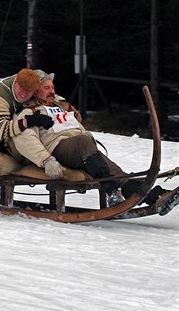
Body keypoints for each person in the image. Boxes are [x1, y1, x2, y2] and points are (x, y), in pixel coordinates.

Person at [10, 71, 173, 208]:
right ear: (35, 91)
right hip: (59, 149)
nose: (52, 91)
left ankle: (155, 197)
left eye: (52, 87)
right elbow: (25, 140)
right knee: (83, 142)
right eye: (46, 88)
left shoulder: (60, 108)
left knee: (118, 173)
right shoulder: (30, 113)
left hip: (83, 150)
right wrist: (46, 160)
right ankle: (110, 189)